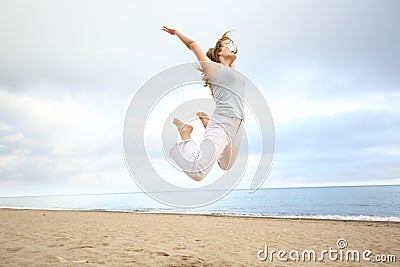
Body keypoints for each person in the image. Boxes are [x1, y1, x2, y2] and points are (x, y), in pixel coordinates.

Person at [162, 26, 245, 181]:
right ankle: (185, 136)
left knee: (226, 165)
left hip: (238, 124)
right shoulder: (214, 69)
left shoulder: (231, 69)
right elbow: (193, 44)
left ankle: (207, 124)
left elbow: (232, 62)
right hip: (222, 123)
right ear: (219, 53)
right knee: (198, 173)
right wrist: (177, 33)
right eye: (227, 47)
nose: (231, 49)